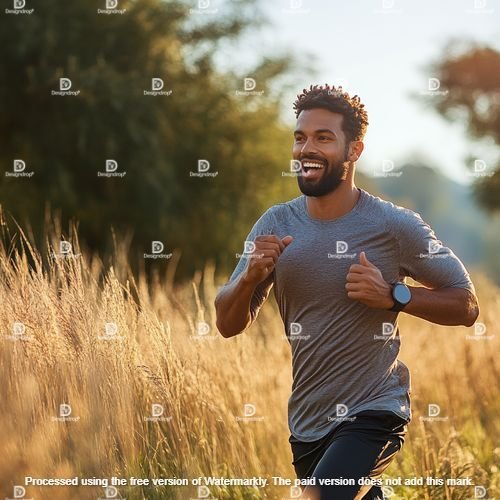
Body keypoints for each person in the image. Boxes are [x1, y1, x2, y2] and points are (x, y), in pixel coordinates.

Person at [214, 84, 479, 500]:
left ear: (354, 150)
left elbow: (466, 304)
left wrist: (395, 295)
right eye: (300, 137)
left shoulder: (394, 225)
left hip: (374, 411)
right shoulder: (275, 223)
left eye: (323, 138)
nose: (306, 149)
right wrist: (248, 278)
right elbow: (227, 324)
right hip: (307, 421)